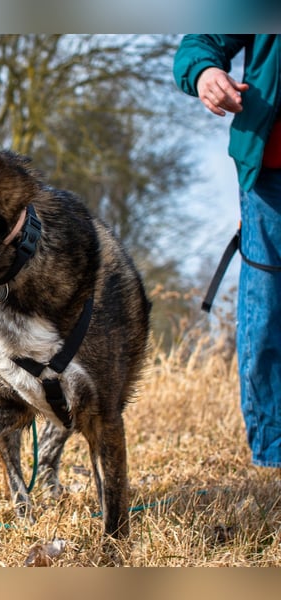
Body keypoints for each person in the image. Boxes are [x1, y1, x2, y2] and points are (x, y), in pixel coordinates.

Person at [174, 35, 281, 468]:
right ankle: (273, 456)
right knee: (268, 312)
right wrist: (205, 72)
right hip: (272, 177)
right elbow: (200, 42)